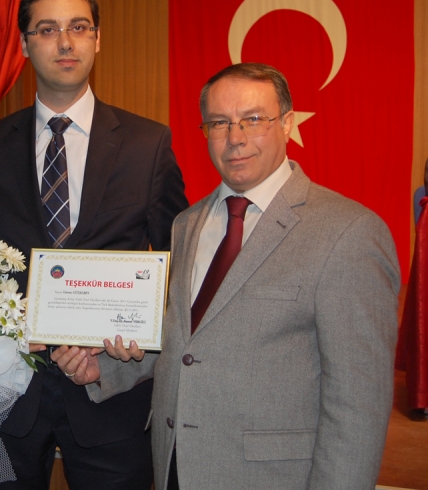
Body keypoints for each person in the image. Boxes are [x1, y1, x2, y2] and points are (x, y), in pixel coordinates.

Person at [58, 62, 400, 490]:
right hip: (174, 466)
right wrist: (106, 369)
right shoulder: (187, 223)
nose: (235, 138)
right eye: (219, 123)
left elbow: (358, 405)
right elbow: (186, 341)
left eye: (253, 119)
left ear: (288, 123)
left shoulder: (349, 233)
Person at [0, 0, 188, 490]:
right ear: (24, 45)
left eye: (79, 27)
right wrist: (5, 331)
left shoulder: (147, 144)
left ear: (97, 39)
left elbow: (180, 266)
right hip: (9, 392)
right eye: (47, 29)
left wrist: (140, 339)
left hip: (112, 393)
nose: (65, 42)